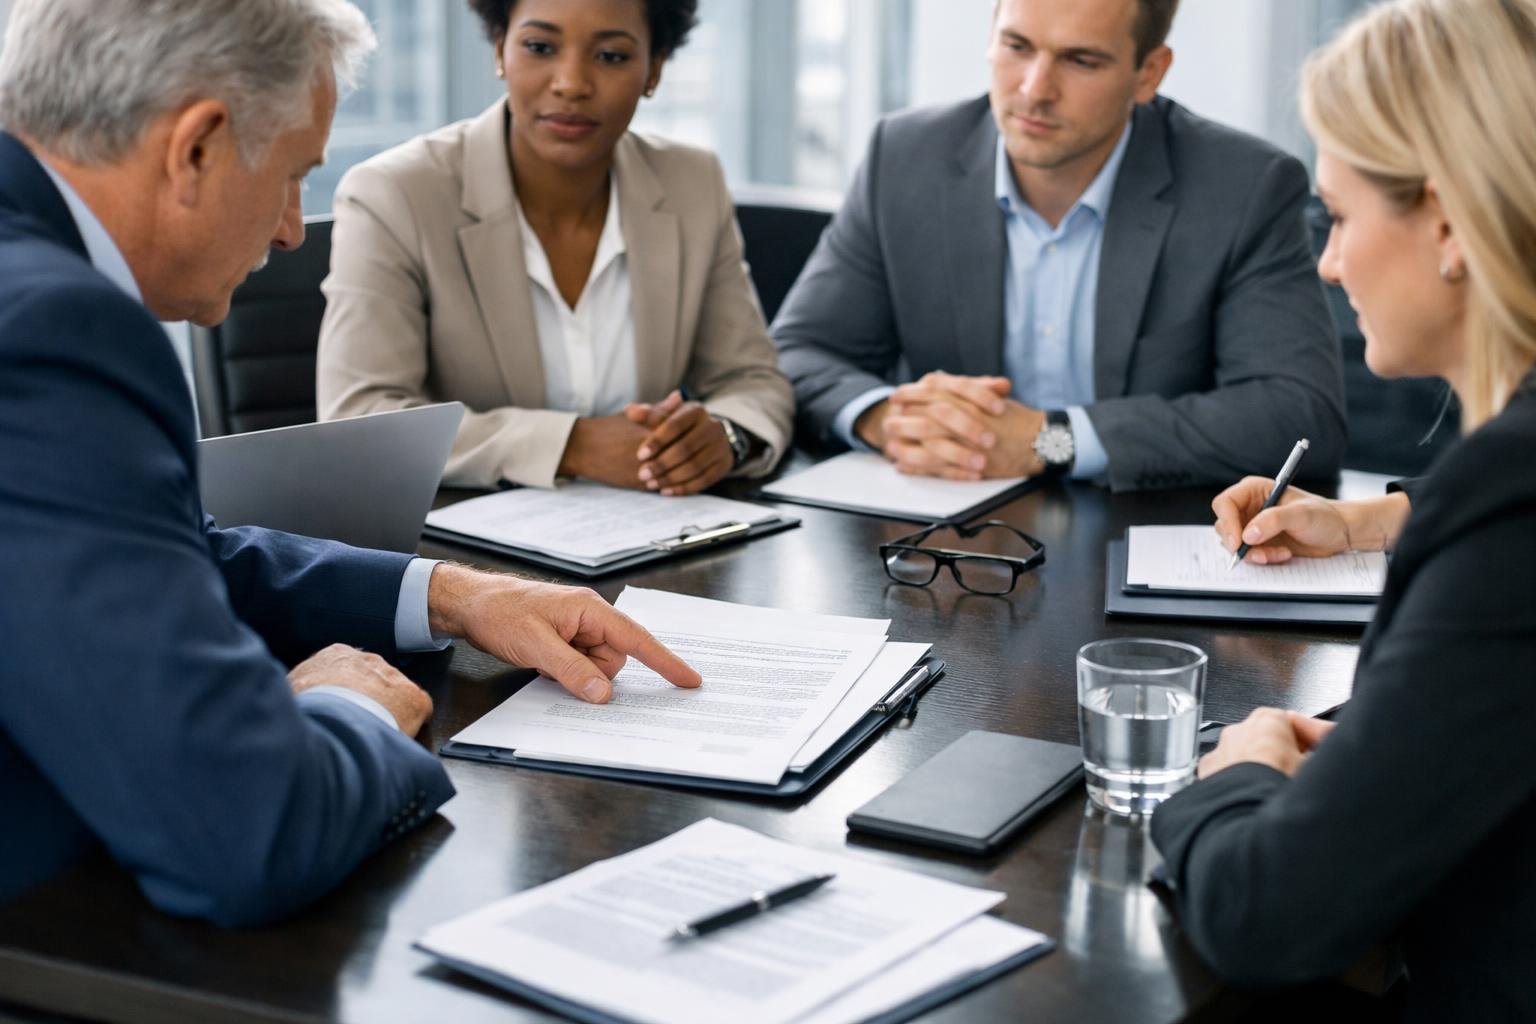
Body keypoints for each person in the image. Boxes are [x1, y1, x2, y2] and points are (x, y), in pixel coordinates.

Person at [0, 0, 701, 928]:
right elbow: (247, 830)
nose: (294, 229)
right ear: (197, 147)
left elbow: (152, 545)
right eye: (294, 176)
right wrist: (344, 710)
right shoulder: (52, 331)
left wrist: (453, 595)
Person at [1151, 0, 1536, 1017]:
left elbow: (1268, 912)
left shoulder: (1507, 501)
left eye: (1341, 217)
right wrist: (1381, 742)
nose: (1327, 262)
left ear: (1449, 223)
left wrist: (1231, 777)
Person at [773, 0, 1346, 493]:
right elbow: (798, 351)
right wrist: (888, 419)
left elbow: (1299, 416)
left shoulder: (1243, 187)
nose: (1034, 90)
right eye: (1016, 46)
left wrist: (1053, 440)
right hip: (944, 548)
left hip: (1137, 550)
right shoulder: (903, 158)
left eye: (1080, 60)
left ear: (1149, 73)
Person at [315, 0, 793, 496]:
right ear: (500, 50)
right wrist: (573, 444)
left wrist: (725, 436)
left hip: (650, 537)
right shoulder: (396, 194)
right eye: (540, 47)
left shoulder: (691, 183)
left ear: (654, 69)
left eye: (610, 56)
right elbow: (359, 419)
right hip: (463, 552)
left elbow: (753, 381)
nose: (572, 83)